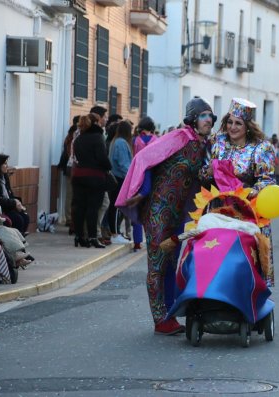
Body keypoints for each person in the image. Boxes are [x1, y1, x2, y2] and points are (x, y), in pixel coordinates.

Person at [115, 97, 215, 335]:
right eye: (203, 115)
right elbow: (146, 158)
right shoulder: (179, 137)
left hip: (179, 212)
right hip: (158, 210)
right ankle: (160, 319)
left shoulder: (205, 146)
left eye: (211, 116)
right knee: (158, 263)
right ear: (192, 119)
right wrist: (144, 190)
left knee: (173, 262)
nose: (209, 120)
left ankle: (170, 313)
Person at [201, 97, 276, 285]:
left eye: (238, 123)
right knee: (219, 256)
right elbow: (203, 176)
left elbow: (267, 180)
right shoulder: (217, 143)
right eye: (229, 122)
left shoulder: (260, 148)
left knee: (247, 261)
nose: (232, 127)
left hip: (248, 211)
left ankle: (255, 296)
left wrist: (248, 192)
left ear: (247, 126)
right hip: (220, 211)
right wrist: (208, 172)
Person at [71, 113, 111, 249]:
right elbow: (102, 158)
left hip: (78, 176)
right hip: (95, 177)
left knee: (79, 208)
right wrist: (108, 166)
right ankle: (93, 237)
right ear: (95, 124)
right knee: (93, 208)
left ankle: (79, 236)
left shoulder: (79, 138)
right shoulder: (98, 138)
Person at [131, 117, 158, 251]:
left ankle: (137, 242)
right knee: (151, 212)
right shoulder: (156, 140)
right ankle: (151, 240)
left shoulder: (136, 140)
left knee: (137, 211)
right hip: (153, 175)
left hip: (137, 174)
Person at [0, 153, 31, 235]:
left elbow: (10, 194)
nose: (7, 166)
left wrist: (17, 203)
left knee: (25, 216)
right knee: (17, 219)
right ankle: (16, 241)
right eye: (4, 163)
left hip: (8, 205)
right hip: (0, 208)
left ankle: (21, 239)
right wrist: (14, 203)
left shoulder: (4, 177)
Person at [107, 120, 134, 244]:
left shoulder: (115, 141)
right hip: (120, 179)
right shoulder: (122, 143)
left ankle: (115, 232)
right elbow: (124, 164)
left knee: (114, 207)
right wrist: (132, 177)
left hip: (115, 177)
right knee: (117, 207)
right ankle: (115, 234)